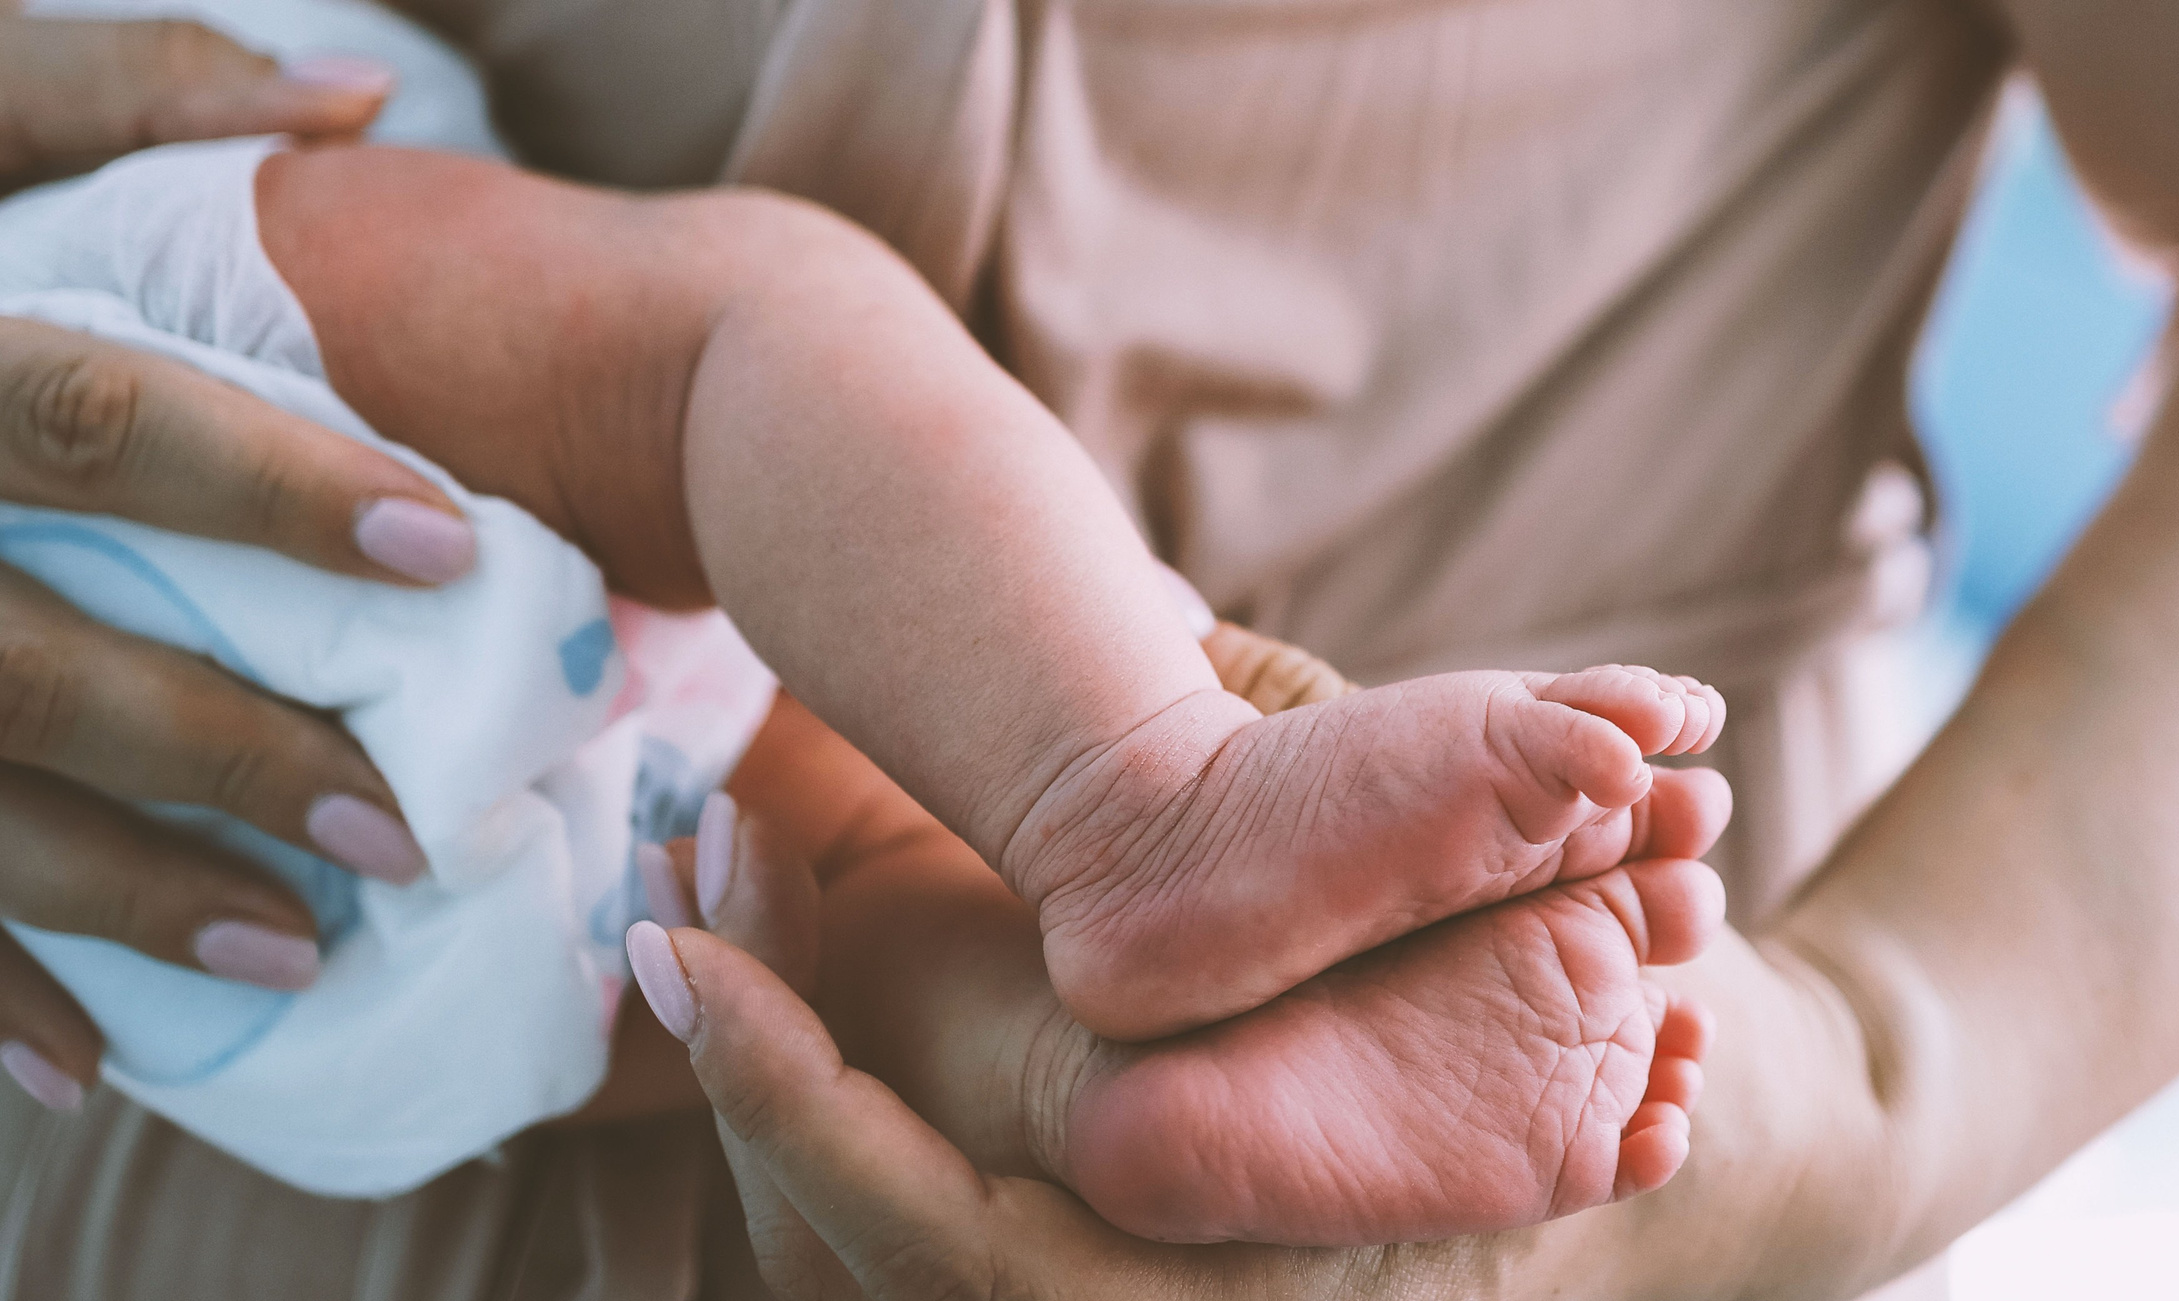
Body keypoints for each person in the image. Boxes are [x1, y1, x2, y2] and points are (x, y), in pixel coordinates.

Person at [10, 3, 2179, 1301]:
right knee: (747, 383)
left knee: (769, 916)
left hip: (280, 993)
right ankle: (1152, 805)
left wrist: (1887, 1061)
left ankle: (1097, 1045)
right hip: (194, 586)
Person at [3, 125, 1720, 1240]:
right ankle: (1138, 797)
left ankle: (1082, 1090)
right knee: (734, 347)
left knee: (825, 911)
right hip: (118, 373)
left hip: (254, 1015)